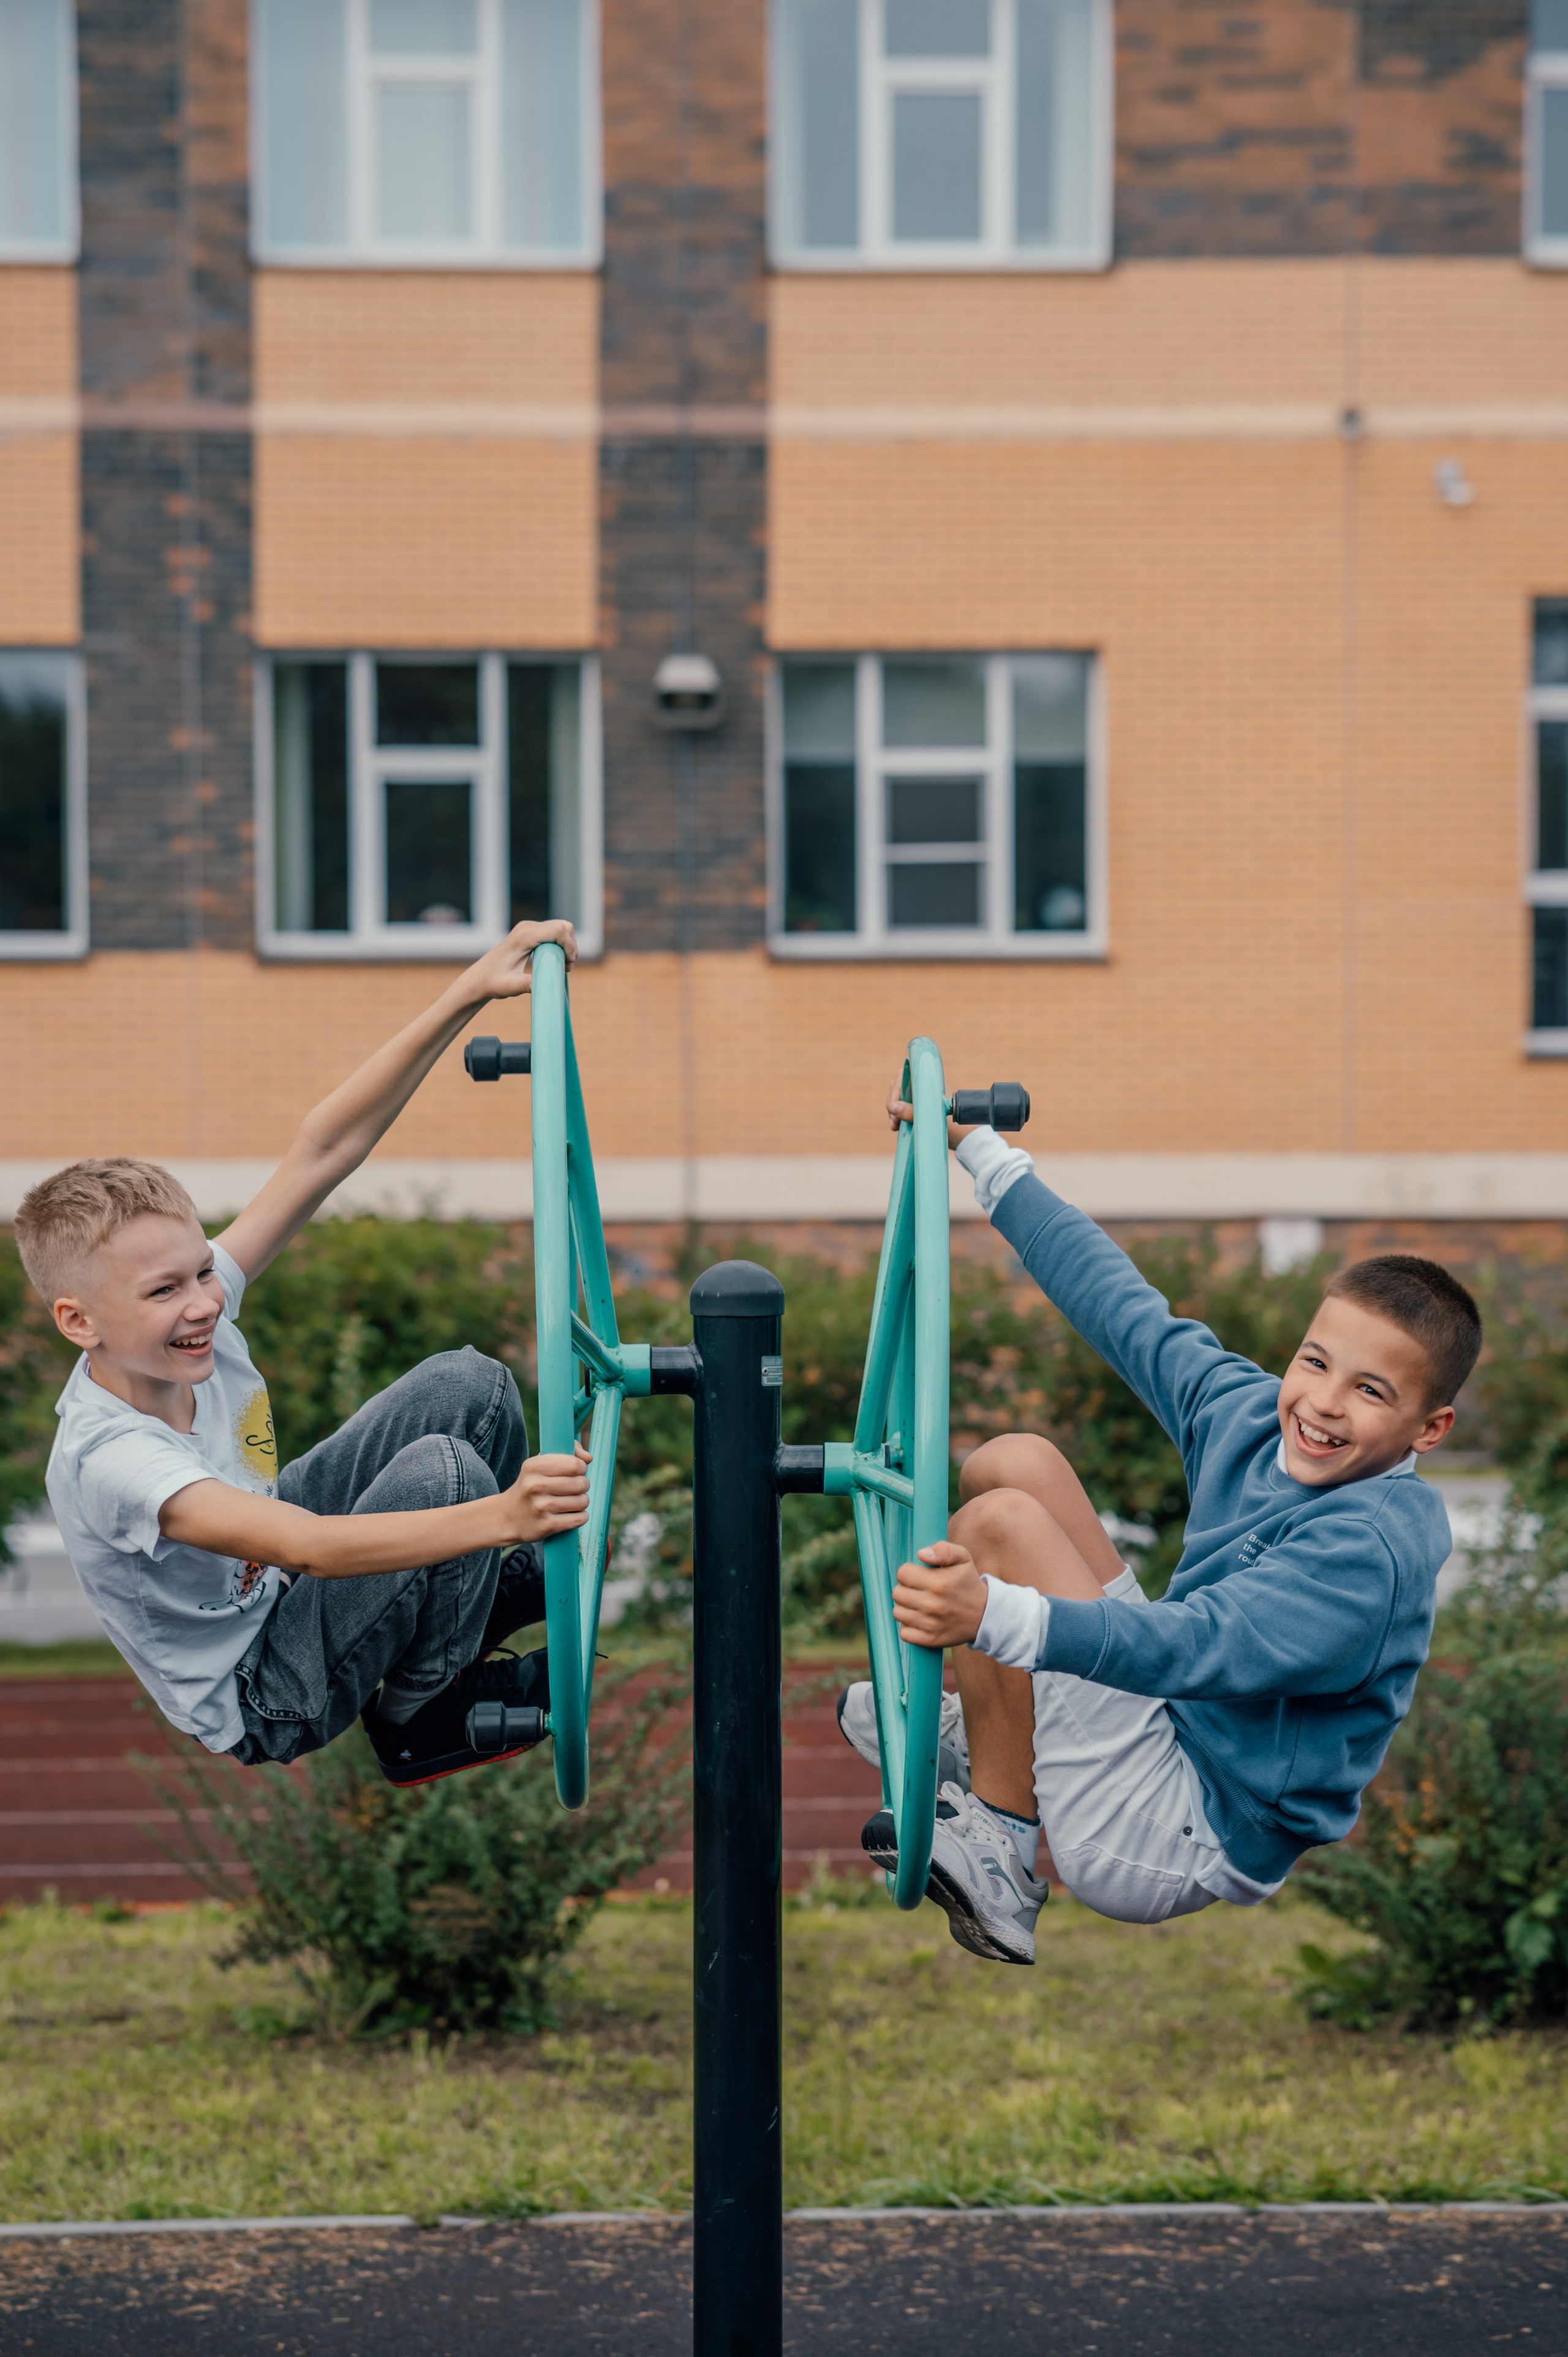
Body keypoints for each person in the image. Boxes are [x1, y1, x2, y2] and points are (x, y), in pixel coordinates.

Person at [839, 1084, 1479, 1966]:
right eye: (1315, 1363)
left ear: (1429, 1429)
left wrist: (990, 1616)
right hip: (1172, 1721)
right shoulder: (1255, 1415)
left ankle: (999, 1848)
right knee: (1011, 1462)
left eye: (1371, 1391)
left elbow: (1200, 1645)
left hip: (1186, 1825)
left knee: (999, 1525)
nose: (1323, 1406)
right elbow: (1125, 1311)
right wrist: (983, 1156)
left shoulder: (1373, 1547)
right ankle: (1002, 1730)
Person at [15, 920, 590, 1788]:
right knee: (446, 1477)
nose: (206, 1303)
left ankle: (457, 1602)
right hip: (266, 1690)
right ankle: (421, 1716)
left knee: (470, 1388)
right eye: (166, 1292)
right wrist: (508, 1517)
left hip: (276, 1580)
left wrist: (469, 991)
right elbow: (306, 1545)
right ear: (80, 1322)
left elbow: (325, 1150)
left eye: (203, 1270)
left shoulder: (188, 1321)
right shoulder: (114, 1459)